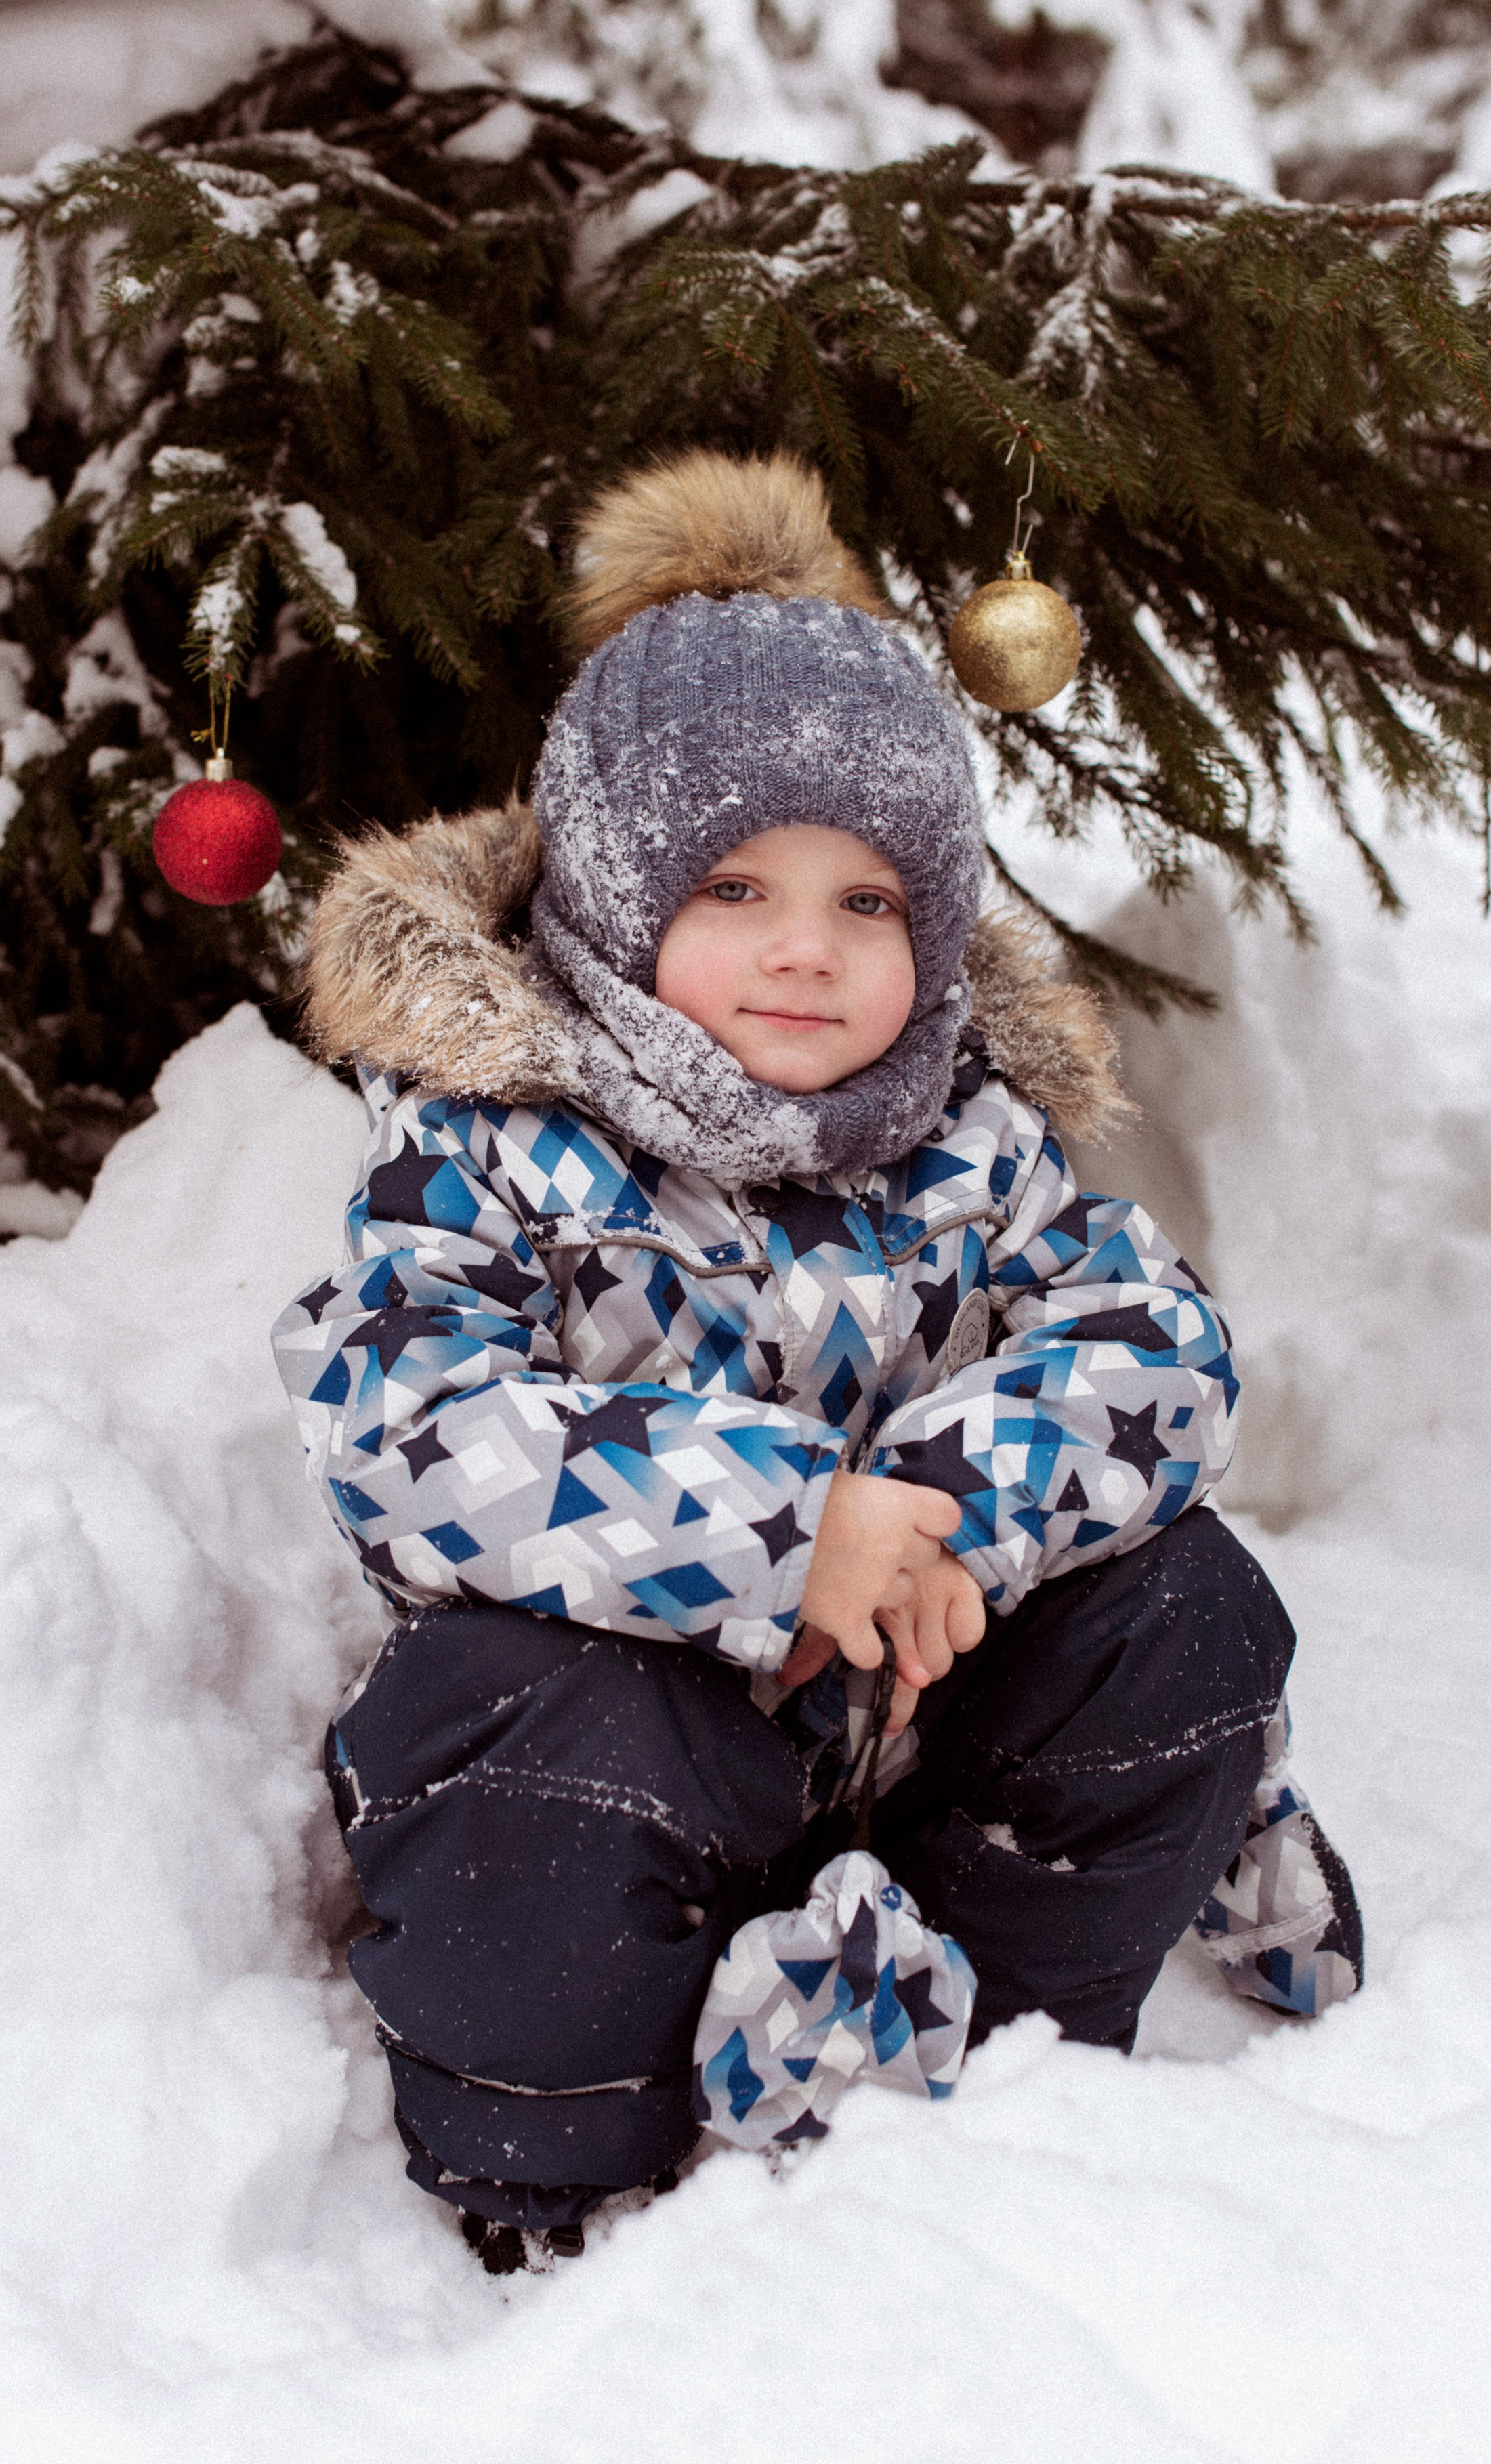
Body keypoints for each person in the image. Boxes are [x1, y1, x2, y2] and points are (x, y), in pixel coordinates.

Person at [273, 451, 1362, 2274]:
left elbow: (1158, 1349)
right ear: (616, 902)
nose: (807, 948)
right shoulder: (497, 1150)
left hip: (923, 1742)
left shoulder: (968, 1140)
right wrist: (791, 1535)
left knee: (1188, 1610)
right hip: (640, 1767)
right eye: (739, 889)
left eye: (871, 903)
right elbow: (412, 1418)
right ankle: (575, 2177)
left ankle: (966, 2035)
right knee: (519, 1722)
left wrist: (935, 1511)